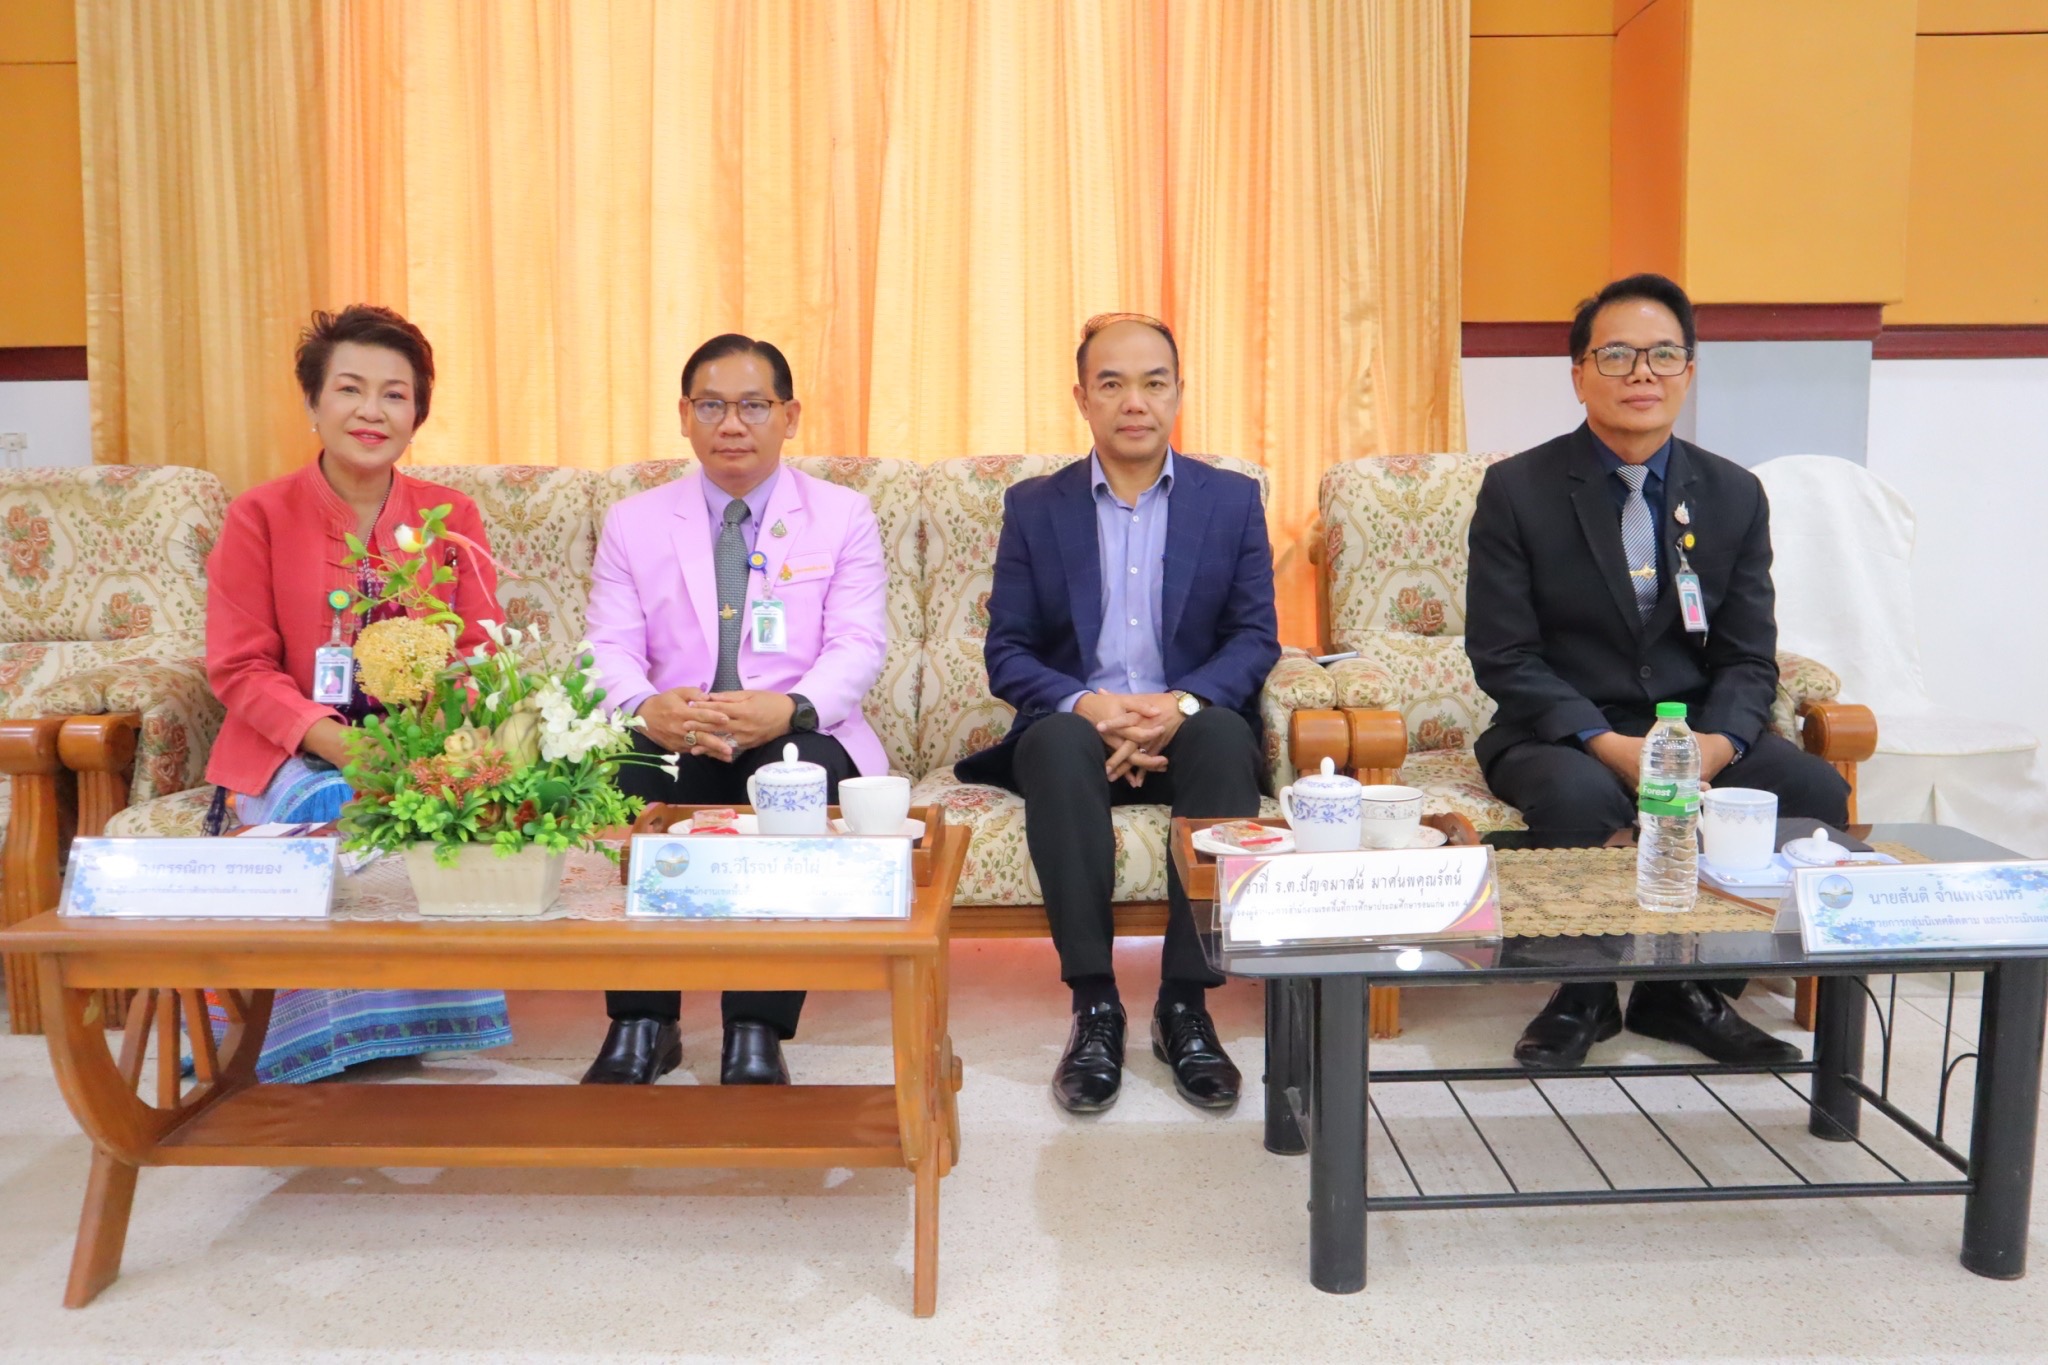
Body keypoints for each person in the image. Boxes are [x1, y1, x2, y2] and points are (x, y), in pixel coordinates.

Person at [1464, 273, 1851, 1070]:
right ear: (1579, 374)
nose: (1642, 372)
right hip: (1558, 730)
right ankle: (1584, 991)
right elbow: (1503, 653)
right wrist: (1605, 742)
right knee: (1581, 794)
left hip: (1695, 728)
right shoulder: (1518, 489)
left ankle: (1689, 987)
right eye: (1617, 355)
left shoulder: (1734, 494)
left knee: (1812, 788)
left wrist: (1716, 745)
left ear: (1688, 371)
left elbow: (1749, 653)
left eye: (1663, 354)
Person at [957, 313, 1280, 1114]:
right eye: (1112, 383)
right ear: (1082, 398)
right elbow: (1008, 650)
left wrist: (1179, 703)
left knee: (1224, 733)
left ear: (1179, 393)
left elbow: (1254, 637)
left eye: (1153, 382)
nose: (1134, 401)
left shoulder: (1231, 501)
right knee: (1059, 739)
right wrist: (1090, 705)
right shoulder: (1036, 506)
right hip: (1076, 737)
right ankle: (1095, 1004)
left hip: (1186, 730)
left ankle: (1185, 1004)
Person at [204, 305, 513, 1083]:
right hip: (286, 748)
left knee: (453, 797)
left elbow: (479, 650)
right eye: (349, 388)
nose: (371, 411)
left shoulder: (451, 517)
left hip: (418, 743)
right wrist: (332, 738)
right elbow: (240, 666)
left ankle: (398, 1028)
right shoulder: (258, 515)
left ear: (417, 414)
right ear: (313, 401)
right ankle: (302, 1041)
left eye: (394, 394)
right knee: (329, 794)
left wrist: (425, 738)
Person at [581, 333, 889, 1086]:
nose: (732, 425)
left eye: (753, 405)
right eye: (712, 406)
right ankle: (642, 1020)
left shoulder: (842, 514)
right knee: (623, 772)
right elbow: (606, 646)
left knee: (799, 779)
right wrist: (647, 706)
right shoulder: (635, 520)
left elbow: (857, 644)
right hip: (674, 728)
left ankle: (756, 1025)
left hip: (795, 728)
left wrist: (790, 708)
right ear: (684, 415)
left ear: (790, 416)